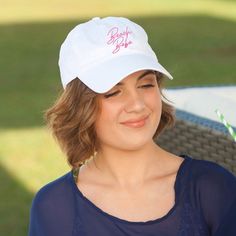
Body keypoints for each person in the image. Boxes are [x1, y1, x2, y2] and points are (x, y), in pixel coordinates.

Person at [28, 16, 236, 236]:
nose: (137, 105)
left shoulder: (213, 189)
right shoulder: (55, 207)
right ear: (81, 105)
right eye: (113, 92)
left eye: (146, 84)